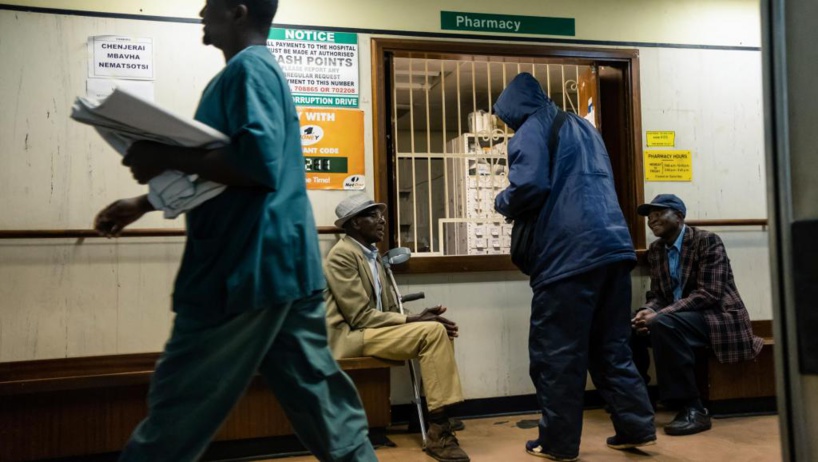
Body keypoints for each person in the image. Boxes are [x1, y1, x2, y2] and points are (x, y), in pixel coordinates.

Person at [92, 1, 377, 461]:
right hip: (285, 265)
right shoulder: (255, 73)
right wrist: (144, 203)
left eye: (211, 4)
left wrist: (162, 156)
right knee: (321, 401)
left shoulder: (248, 71)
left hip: (245, 268)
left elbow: (257, 164)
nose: (202, 12)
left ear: (238, 11)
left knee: (178, 406)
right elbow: (224, 167)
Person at [493, 72, 655, 461]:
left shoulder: (532, 128)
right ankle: (636, 428)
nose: (508, 125)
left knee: (557, 353)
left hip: (568, 255)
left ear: (514, 109)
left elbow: (530, 185)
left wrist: (502, 201)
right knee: (612, 346)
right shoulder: (584, 127)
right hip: (614, 247)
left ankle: (558, 444)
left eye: (506, 118)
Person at [323, 193, 470, 462]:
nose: (381, 220)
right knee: (431, 330)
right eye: (372, 215)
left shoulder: (373, 256)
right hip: (350, 336)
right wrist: (415, 320)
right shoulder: (342, 256)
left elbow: (389, 311)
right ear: (355, 223)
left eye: (380, 214)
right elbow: (360, 317)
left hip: (372, 330)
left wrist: (421, 317)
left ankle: (432, 416)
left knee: (439, 329)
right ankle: (439, 432)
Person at [631, 194, 764, 436]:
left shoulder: (707, 240)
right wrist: (647, 310)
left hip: (718, 317)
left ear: (679, 217)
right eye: (649, 216)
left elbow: (709, 294)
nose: (652, 220)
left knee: (663, 323)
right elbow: (658, 295)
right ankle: (639, 399)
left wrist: (659, 315)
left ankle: (693, 408)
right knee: (631, 324)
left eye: (659, 213)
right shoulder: (656, 249)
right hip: (681, 318)